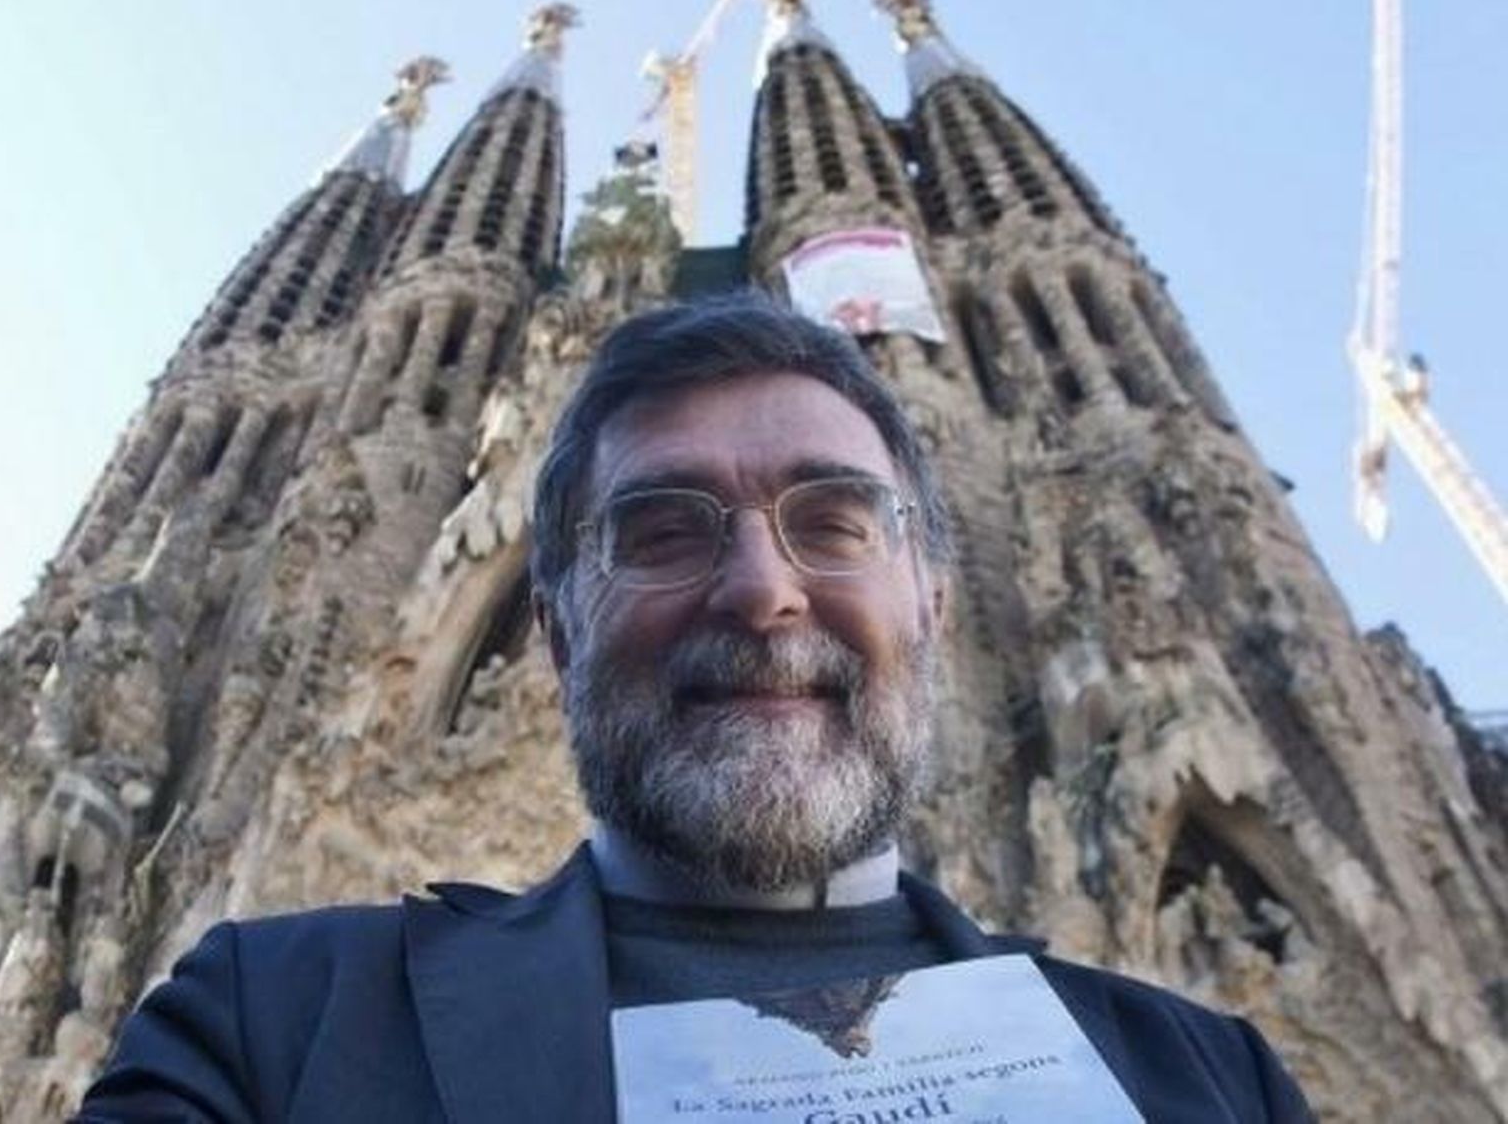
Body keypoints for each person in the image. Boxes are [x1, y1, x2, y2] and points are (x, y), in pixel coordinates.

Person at [78, 295, 1313, 1122]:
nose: (764, 590)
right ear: (551, 630)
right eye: (664, 531)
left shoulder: (1204, 1078)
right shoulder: (276, 1022)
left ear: (934, 600)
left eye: (831, 522)